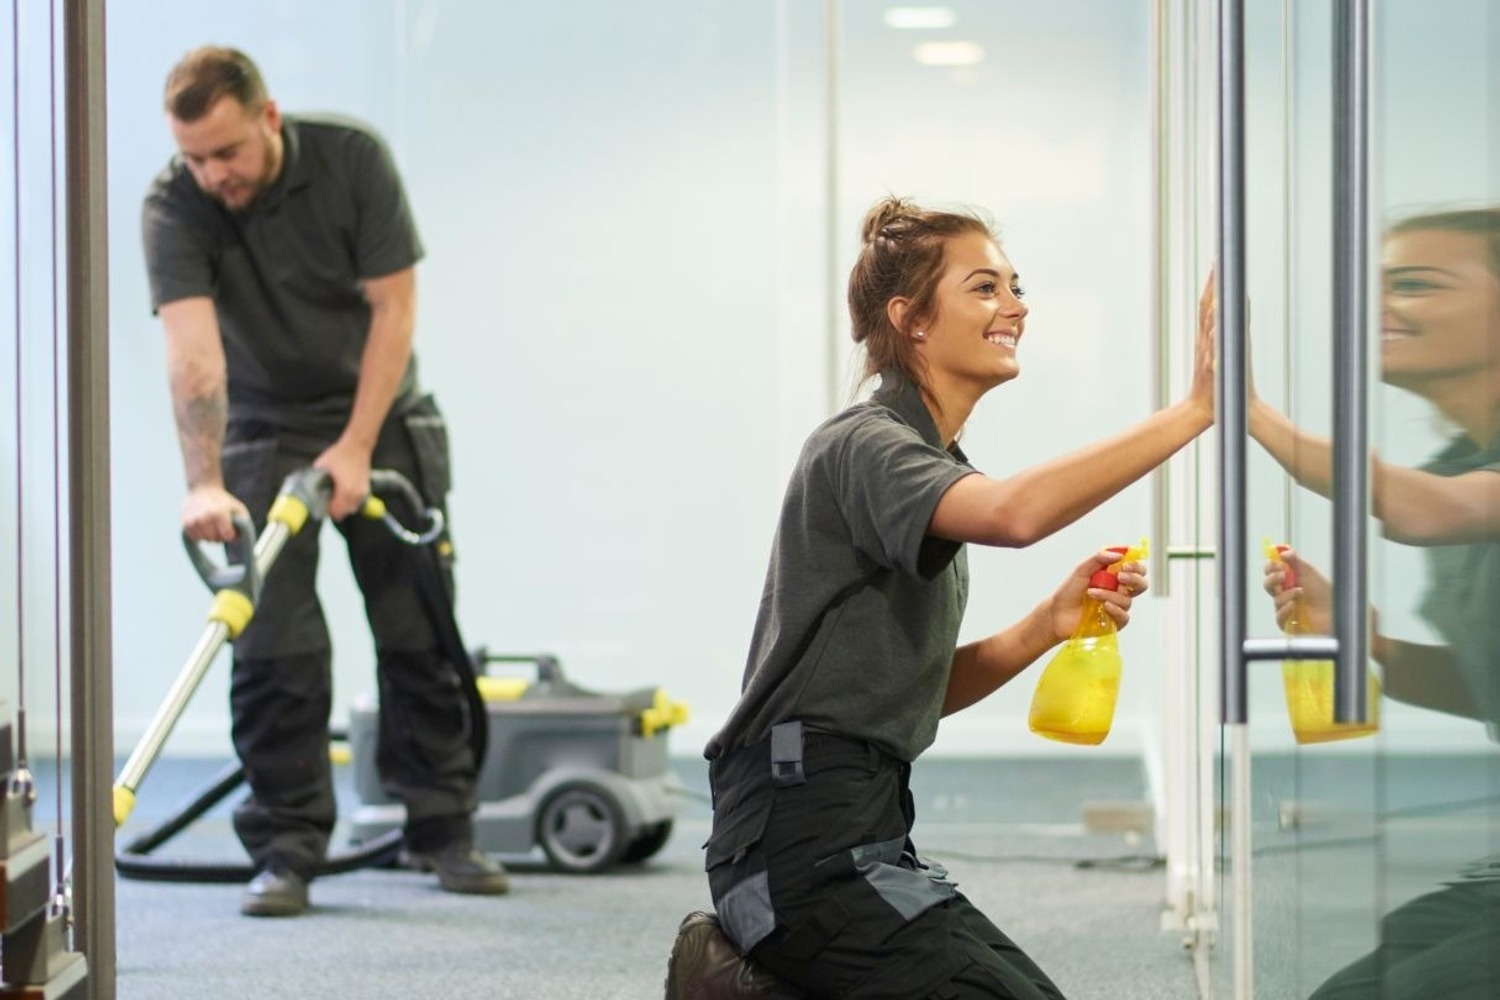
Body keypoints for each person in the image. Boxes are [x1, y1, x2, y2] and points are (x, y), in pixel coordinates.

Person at [666, 197, 1216, 998]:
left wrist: (1047, 626)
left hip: (862, 831)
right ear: (911, 319)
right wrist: (1195, 411)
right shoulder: (867, 445)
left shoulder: (923, 457)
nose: (1016, 307)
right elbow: (1016, 514)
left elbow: (898, 695)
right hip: (797, 850)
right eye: (985, 288)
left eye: (1016, 287)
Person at [141, 45, 509, 917]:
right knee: (274, 650)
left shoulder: (352, 160)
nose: (211, 173)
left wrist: (356, 445)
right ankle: (286, 848)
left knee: (418, 631)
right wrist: (202, 481)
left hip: (380, 415)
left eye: (225, 152)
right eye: (194, 156)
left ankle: (439, 829)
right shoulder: (175, 202)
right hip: (262, 432)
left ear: (268, 118)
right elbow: (193, 355)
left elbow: (395, 309)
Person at [1254, 207, 1500, 999]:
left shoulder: (1454, 490)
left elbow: (1427, 510)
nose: (1378, 308)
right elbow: (1486, 688)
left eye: (1417, 286)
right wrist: (1373, 645)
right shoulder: (1464, 460)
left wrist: (1249, 413)